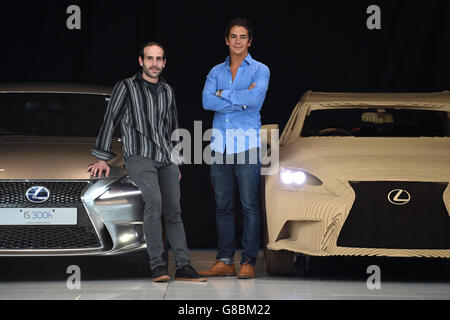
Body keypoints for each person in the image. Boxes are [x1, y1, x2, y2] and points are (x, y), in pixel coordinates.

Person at [87, 42, 207, 283]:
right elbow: (111, 119)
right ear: (140, 61)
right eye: (150, 59)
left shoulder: (167, 90)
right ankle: (157, 265)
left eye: (159, 59)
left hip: (166, 159)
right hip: (140, 157)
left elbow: (172, 127)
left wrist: (176, 161)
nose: (154, 63)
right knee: (155, 203)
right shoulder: (126, 87)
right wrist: (102, 157)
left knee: (174, 212)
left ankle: (183, 267)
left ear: (164, 62)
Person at [200, 18, 270, 279]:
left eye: (243, 37)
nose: (238, 41)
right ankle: (225, 260)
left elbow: (255, 99)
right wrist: (239, 99)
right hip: (220, 146)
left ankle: (248, 261)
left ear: (249, 41)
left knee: (250, 206)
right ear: (226, 40)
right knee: (223, 206)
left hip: (247, 146)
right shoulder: (215, 71)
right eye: (233, 36)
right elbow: (206, 101)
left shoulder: (261, 70)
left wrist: (223, 95)